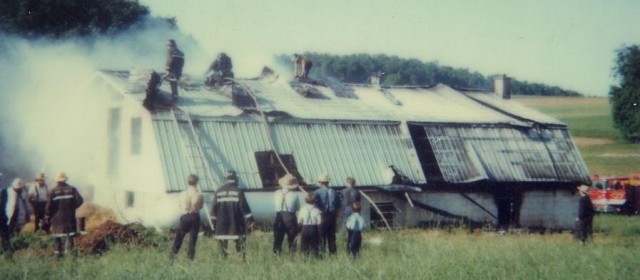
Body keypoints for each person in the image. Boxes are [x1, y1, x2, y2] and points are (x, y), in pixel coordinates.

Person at [211, 171, 255, 260]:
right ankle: (241, 259)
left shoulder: (218, 191)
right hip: (236, 224)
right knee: (240, 242)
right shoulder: (238, 191)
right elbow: (244, 208)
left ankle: (223, 259)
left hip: (221, 224)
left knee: (222, 244)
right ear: (236, 179)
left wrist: (214, 224)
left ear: (226, 179)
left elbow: (214, 210)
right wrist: (250, 221)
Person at [45, 172, 83, 259]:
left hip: (57, 220)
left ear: (57, 181)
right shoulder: (72, 189)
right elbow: (80, 201)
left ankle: (57, 258)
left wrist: (47, 217)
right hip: (70, 219)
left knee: (57, 238)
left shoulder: (53, 191)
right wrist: (72, 207)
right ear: (65, 179)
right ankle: (69, 258)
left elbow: (48, 207)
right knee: (69, 237)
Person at [171, 174, 204, 261]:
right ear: (196, 182)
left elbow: (179, 205)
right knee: (193, 238)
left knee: (179, 236)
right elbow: (201, 206)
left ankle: (173, 255)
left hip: (185, 216)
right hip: (194, 216)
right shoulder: (199, 194)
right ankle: (190, 258)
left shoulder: (182, 194)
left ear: (188, 182)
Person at [1, 178, 31, 259]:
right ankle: (8, 252)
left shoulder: (24, 193)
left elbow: (27, 205)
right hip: (8, 217)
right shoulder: (7, 192)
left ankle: (12, 251)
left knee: (15, 234)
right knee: (7, 235)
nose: (17, 189)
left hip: (19, 217)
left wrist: (29, 215)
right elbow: (3, 205)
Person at [273, 173, 300, 255]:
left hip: (279, 216)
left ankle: (276, 254)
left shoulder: (276, 193)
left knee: (278, 237)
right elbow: (297, 208)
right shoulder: (295, 195)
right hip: (290, 217)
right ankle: (292, 254)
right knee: (292, 238)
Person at [313, 173, 341, 255]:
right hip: (332, 216)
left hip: (322, 216)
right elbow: (338, 205)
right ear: (328, 182)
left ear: (320, 182)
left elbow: (314, 204)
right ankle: (333, 254)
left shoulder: (317, 192)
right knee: (331, 236)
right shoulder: (335, 192)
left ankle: (321, 253)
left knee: (321, 236)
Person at [297, 193, 321, 258]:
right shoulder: (317, 210)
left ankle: (304, 257)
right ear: (314, 201)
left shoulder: (302, 209)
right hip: (313, 227)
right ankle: (315, 257)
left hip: (305, 227)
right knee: (314, 244)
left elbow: (299, 221)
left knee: (304, 244)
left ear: (305, 201)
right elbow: (319, 222)